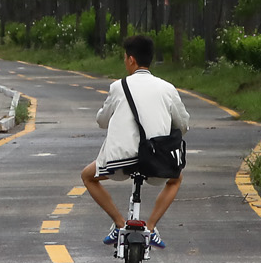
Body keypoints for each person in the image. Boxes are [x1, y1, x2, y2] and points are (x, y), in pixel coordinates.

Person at [81, 33, 190, 248]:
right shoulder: (168, 89)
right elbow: (183, 125)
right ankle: (150, 228)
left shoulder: (118, 87)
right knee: (176, 179)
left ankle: (120, 224)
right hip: (156, 163)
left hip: (119, 163)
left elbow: (102, 121)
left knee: (87, 177)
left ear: (131, 59)